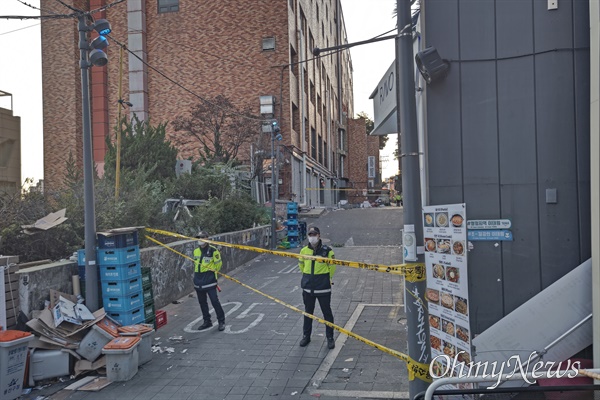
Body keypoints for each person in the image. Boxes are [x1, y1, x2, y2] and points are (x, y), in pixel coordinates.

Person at [298, 226, 336, 349]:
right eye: (310, 234)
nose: (312, 237)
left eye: (314, 234)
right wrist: (307, 278)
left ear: (319, 235)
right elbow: (301, 265)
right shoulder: (304, 250)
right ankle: (306, 336)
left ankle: (330, 338)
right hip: (308, 288)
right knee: (308, 313)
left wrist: (326, 279)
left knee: (327, 313)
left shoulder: (327, 251)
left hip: (323, 287)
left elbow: (332, 267)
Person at [193, 231, 225, 331]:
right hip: (198, 281)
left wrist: (212, 274)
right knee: (202, 303)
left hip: (209, 280)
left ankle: (221, 321)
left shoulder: (213, 251)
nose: (200, 240)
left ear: (207, 238)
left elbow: (218, 265)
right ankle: (207, 321)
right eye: (199, 237)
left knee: (215, 301)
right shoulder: (196, 251)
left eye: (202, 237)